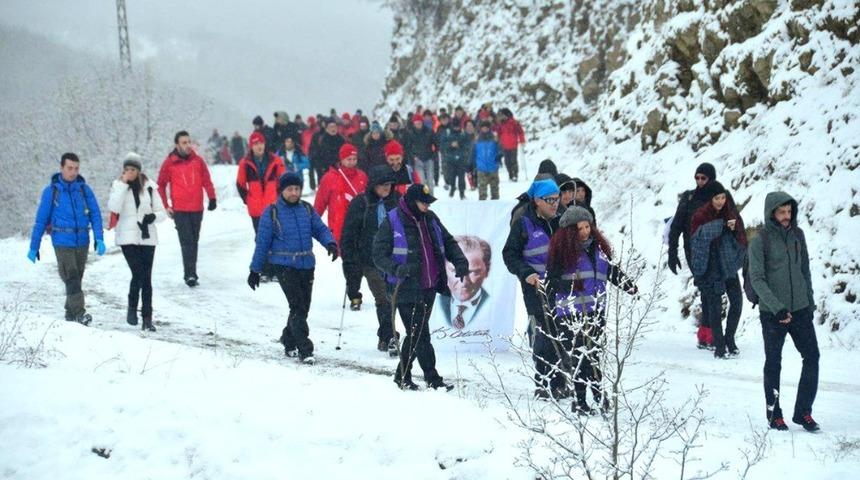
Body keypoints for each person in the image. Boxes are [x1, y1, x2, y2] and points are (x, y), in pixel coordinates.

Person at [373, 184, 469, 391]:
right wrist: (395, 268)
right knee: (417, 332)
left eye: (428, 203)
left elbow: (448, 242)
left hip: (429, 285)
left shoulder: (431, 219)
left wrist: (460, 261)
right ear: (410, 202)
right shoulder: (392, 221)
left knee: (420, 333)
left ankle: (423, 377)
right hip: (404, 287)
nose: (426, 206)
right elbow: (378, 255)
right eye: (423, 202)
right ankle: (414, 377)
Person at [545, 206, 637, 411]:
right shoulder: (562, 253)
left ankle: (597, 396)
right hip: (571, 314)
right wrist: (571, 287)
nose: (585, 231)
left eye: (588, 226)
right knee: (580, 357)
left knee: (594, 354)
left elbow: (611, 271)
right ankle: (581, 400)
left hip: (596, 312)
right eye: (580, 228)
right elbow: (551, 282)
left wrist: (628, 285)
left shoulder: (599, 250)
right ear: (569, 232)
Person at [248, 172, 338, 365]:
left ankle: (288, 339)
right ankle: (304, 349)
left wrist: (330, 243)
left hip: (307, 264)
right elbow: (262, 243)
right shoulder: (271, 212)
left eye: (297, 189)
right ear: (282, 190)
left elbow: (320, 228)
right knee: (297, 305)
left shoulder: (306, 209)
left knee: (303, 307)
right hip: (284, 266)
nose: (294, 193)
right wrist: (255, 270)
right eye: (290, 189)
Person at [749, 191, 819, 432]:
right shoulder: (761, 241)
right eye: (781, 212)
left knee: (812, 356)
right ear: (772, 213)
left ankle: (803, 412)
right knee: (774, 362)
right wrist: (777, 308)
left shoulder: (798, 235)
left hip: (800, 309)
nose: (786, 216)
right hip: (772, 313)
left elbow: (805, 271)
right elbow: (756, 278)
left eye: (789, 211)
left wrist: (809, 302)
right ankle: (774, 414)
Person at [28, 152, 105, 325]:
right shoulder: (52, 192)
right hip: (62, 240)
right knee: (70, 276)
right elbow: (41, 220)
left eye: (76, 168)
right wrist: (34, 246)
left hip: (82, 239)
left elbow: (95, 214)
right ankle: (80, 313)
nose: (73, 172)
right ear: (62, 168)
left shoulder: (84, 190)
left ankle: (70, 314)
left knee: (77, 277)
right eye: (69, 168)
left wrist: (99, 238)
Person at [341, 165, 401, 352]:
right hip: (370, 260)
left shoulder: (398, 202)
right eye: (382, 185)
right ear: (374, 185)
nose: (386, 188)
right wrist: (349, 260)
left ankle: (384, 337)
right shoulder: (361, 203)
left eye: (389, 184)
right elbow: (349, 233)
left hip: (394, 260)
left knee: (393, 297)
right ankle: (391, 336)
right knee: (383, 297)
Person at [107, 153, 166, 331]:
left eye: (133, 169)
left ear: (139, 170)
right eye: (126, 170)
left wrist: (153, 216)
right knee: (138, 272)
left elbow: (162, 211)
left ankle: (147, 318)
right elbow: (114, 208)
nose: (130, 173)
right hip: (127, 237)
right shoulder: (118, 186)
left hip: (147, 237)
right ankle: (132, 307)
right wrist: (122, 185)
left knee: (146, 278)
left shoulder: (149, 187)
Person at [689, 181, 746, 359]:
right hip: (711, 267)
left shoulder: (730, 211)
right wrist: (721, 226)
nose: (721, 201)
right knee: (714, 307)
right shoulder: (700, 215)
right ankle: (719, 345)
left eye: (723, 197)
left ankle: (730, 339)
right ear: (710, 199)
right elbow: (698, 237)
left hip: (728, 264)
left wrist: (733, 227)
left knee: (737, 302)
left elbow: (740, 235)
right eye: (717, 198)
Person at [503, 177, 560, 345]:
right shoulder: (523, 223)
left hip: (562, 288)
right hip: (536, 291)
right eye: (550, 199)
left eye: (557, 199)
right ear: (537, 200)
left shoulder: (562, 221)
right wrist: (526, 272)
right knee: (543, 340)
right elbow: (509, 254)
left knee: (563, 341)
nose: (555, 204)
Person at [667, 162, 718, 349]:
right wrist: (672, 252)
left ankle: (707, 332)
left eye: (703, 178)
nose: (700, 181)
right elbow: (676, 226)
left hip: (716, 251)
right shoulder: (689, 198)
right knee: (708, 290)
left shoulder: (718, 198)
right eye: (697, 177)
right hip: (695, 252)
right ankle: (708, 333)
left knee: (711, 291)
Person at [157, 130, 217, 287]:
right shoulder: (170, 162)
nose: (188, 145)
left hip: (197, 208)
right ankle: (190, 274)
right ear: (177, 145)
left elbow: (207, 180)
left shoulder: (198, 161)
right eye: (184, 142)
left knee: (194, 241)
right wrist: (166, 206)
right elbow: (161, 185)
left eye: (189, 142)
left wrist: (212, 198)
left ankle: (192, 272)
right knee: (186, 242)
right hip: (180, 209)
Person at [314, 143, 369, 246]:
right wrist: (312, 222)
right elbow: (320, 203)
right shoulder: (329, 178)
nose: (352, 162)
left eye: (354, 159)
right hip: (339, 226)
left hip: (360, 224)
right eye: (349, 159)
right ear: (341, 159)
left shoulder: (362, 176)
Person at [435, 236, 492, 329]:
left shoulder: (497, 305)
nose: (464, 281)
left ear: (487, 270)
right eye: (454, 271)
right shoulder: (432, 302)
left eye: (473, 272)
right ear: (444, 268)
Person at [237, 131, 287, 233]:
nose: (259, 146)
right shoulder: (245, 163)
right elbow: (240, 184)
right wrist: (248, 200)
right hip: (256, 209)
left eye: (261, 143)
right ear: (251, 146)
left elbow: (284, 181)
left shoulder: (275, 160)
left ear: (264, 144)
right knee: (260, 240)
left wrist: (278, 197)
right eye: (255, 144)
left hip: (273, 207)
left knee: (276, 239)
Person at [403, 113, 437, 194]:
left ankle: (430, 197)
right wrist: (413, 157)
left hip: (429, 158)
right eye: (416, 123)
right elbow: (408, 148)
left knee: (430, 181)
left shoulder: (429, 131)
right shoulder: (410, 133)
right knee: (421, 181)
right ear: (414, 123)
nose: (418, 124)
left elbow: (436, 143)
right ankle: (423, 197)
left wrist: (434, 155)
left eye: (420, 123)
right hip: (417, 160)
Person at [437, 114, 469, 199]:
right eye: (455, 127)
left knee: (462, 177)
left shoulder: (463, 133)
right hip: (450, 159)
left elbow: (467, 144)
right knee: (451, 176)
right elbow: (442, 145)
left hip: (461, 158)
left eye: (458, 126)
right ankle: (452, 189)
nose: (456, 128)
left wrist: (460, 145)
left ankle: (462, 192)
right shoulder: (447, 133)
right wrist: (451, 145)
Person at [495, 108, 526, 181]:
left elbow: (520, 131)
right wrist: (498, 140)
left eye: (502, 115)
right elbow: (499, 133)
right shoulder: (500, 124)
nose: (501, 117)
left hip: (513, 144)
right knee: (506, 161)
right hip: (504, 145)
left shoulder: (514, 122)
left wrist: (522, 140)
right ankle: (510, 174)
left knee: (513, 160)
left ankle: (515, 174)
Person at [473, 121, 502, 200]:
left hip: (493, 166)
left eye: (486, 127)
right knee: (482, 189)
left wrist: (499, 155)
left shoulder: (494, 138)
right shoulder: (477, 139)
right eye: (483, 127)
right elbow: (473, 152)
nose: (484, 129)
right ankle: (482, 206)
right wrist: (471, 164)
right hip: (481, 167)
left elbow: (500, 149)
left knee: (495, 189)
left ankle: (496, 205)